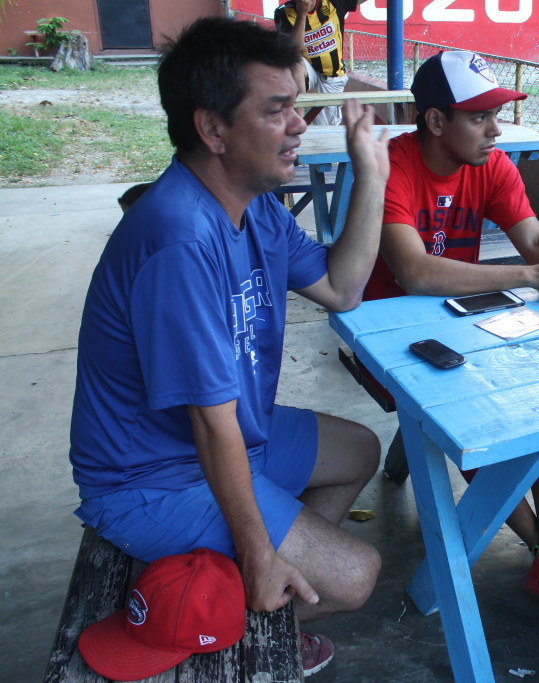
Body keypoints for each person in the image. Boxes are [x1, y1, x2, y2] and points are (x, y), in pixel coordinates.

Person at [68, 18, 390, 678]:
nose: (298, 124)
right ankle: (239, 613)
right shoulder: (179, 238)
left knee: (359, 446)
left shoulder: (256, 203)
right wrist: (257, 548)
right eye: (276, 110)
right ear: (213, 130)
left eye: (297, 104)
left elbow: (342, 285)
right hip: (150, 478)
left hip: (222, 439)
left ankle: (259, 598)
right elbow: (209, 424)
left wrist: (373, 176)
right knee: (355, 576)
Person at [363, 50, 539, 606]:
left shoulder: (492, 165)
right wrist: (533, 274)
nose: (495, 129)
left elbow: (537, 242)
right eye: (480, 117)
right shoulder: (392, 165)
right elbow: (412, 271)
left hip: (461, 320)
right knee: (473, 418)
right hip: (387, 335)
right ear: (435, 122)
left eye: (496, 114)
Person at [274, 0, 367, 125]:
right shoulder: (283, 12)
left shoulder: (333, 2)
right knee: (294, 63)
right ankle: (298, 118)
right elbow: (294, 49)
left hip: (332, 75)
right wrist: (302, 15)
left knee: (326, 128)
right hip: (307, 69)